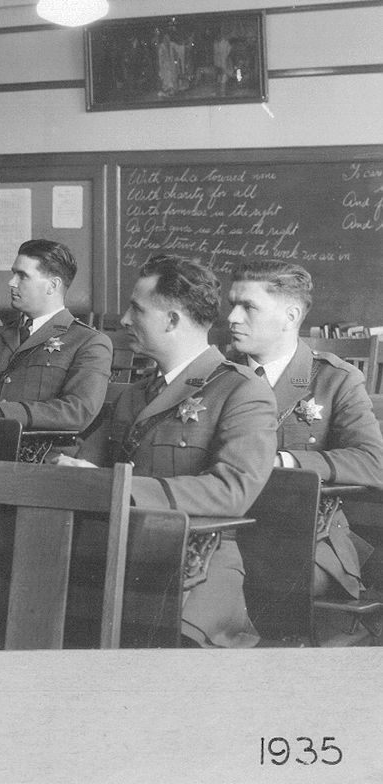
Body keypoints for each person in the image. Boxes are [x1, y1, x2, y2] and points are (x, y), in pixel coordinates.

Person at [64, 254, 277, 648]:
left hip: (194, 561)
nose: (124, 320)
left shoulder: (241, 391)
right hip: (117, 554)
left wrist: (122, 488)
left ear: (173, 321)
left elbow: (233, 490)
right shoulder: (134, 395)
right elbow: (82, 464)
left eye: (137, 309)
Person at [226, 259, 383, 600]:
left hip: (301, 538)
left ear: (291, 317)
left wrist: (286, 460)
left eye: (248, 307)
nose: (232, 318)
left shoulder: (334, 379)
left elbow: (373, 461)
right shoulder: (218, 373)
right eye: (232, 305)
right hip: (223, 529)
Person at [0, 239, 111, 433]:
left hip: (41, 454)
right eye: (13, 274)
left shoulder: (87, 342)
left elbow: (77, 412)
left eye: (22, 276)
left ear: (52, 285)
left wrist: (1, 411)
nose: (11, 282)